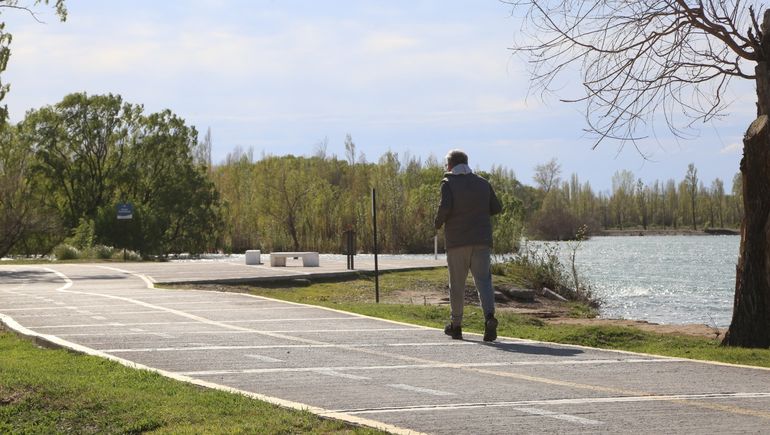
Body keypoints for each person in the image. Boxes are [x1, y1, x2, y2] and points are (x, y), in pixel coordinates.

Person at [434, 149, 502, 341]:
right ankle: (489, 317)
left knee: (457, 285)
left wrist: (437, 223)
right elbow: (496, 208)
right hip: (482, 241)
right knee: (484, 282)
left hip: (457, 242)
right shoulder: (483, 183)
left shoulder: (448, 183)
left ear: (450, 165)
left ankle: (456, 326)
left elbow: (445, 207)